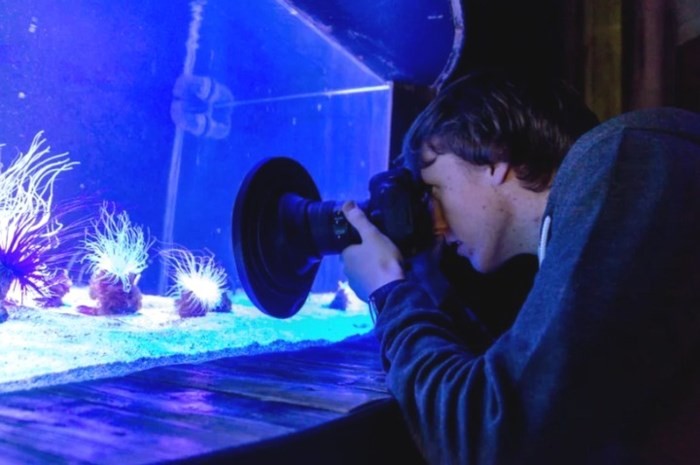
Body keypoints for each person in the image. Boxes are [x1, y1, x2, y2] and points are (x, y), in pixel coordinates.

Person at [340, 69, 700, 464]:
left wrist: (388, 291)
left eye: (434, 189)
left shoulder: (627, 163)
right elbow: (518, 386)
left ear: (493, 155)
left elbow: (492, 436)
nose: (436, 224)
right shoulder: (609, 202)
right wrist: (419, 276)